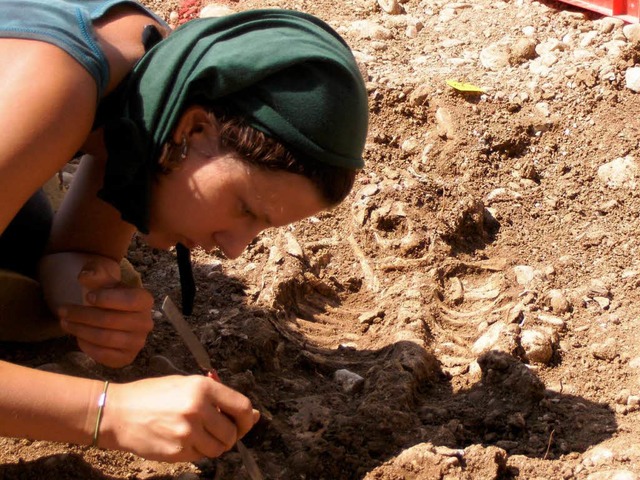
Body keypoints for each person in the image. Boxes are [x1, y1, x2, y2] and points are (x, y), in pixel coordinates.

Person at [0, 0, 368, 464]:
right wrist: (109, 413)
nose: (234, 249)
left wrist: (85, 301)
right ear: (194, 129)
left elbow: (73, 252)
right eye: (245, 209)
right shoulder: (53, 88)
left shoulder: (162, 89)